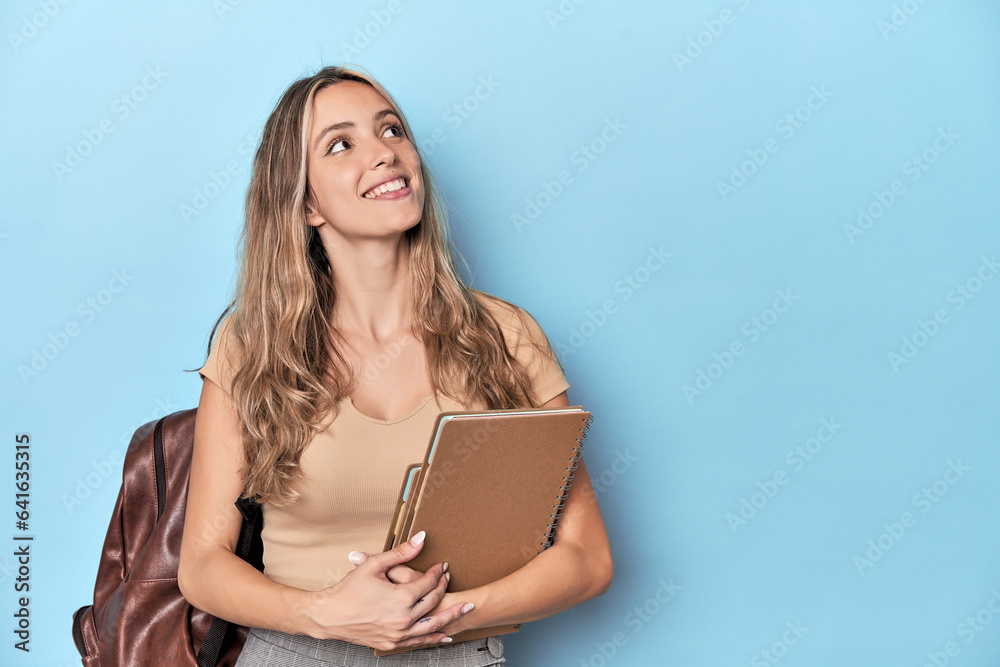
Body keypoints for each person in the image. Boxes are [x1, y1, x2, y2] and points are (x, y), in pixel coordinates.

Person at [177, 64, 613, 666]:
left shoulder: (506, 337)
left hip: (459, 652)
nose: (383, 153)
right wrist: (324, 613)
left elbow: (588, 558)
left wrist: (444, 613)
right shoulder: (252, 346)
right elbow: (201, 566)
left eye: (392, 130)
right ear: (305, 204)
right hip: (298, 652)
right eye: (341, 144)